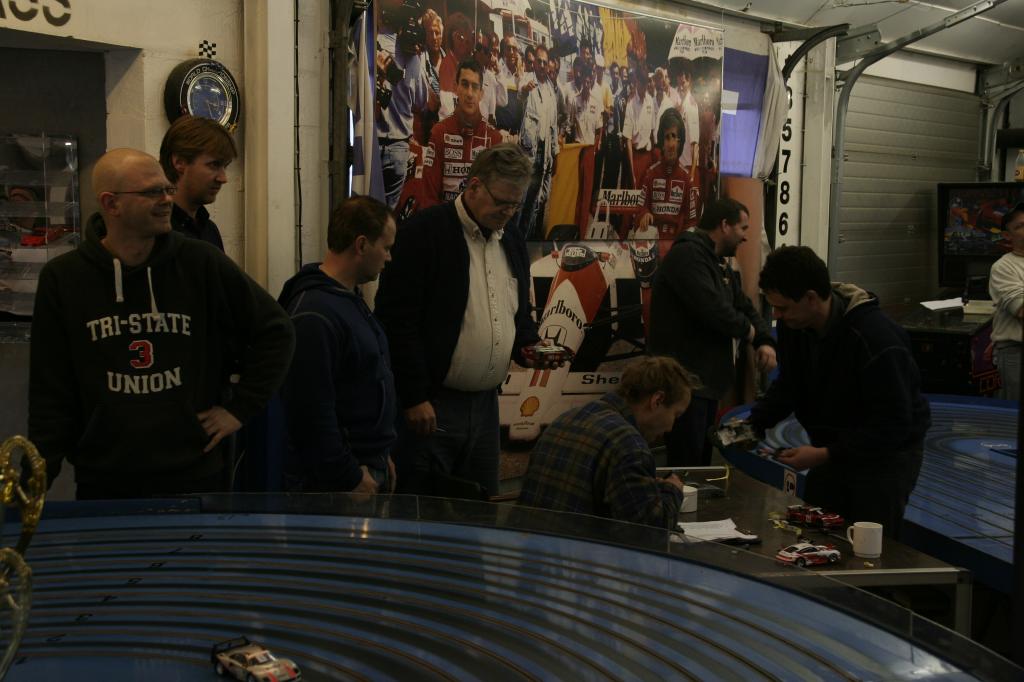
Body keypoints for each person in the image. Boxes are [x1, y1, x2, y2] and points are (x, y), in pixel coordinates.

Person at [28, 148, 295, 499]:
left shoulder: (200, 262)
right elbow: (50, 389)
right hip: (105, 478)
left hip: (195, 473)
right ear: (111, 203)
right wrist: (33, 486)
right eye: (152, 192)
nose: (167, 199)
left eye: (167, 189)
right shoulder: (64, 278)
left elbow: (277, 331)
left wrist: (239, 409)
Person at [375, 143, 551, 498]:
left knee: (481, 509)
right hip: (432, 405)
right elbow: (396, 322)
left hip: (486, 408)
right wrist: (413, 396)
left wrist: (530, 345)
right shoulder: (424, 233)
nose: (508, 212)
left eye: (515, 205)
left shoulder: (512, 239)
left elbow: (517, 311)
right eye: (502, 202)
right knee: (424, 510)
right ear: (474, 186)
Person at [749, 245, 931, 536]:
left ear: (811, 298)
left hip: (885, 457)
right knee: (818, 530)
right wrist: (752, 424)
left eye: (782, 308)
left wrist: (825, 454)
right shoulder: (794, 325)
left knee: (867, 541)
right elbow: (791, 383)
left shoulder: (876, 339)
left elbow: (893, 423)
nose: (777, 316)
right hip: (833, 447)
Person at [278, 196, 398, 495]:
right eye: (386, 247)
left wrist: (380, 453)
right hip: (338, 483)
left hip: (366, 464)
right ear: (361, 245)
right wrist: (348, 476)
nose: (388, 257)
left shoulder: (347, 299)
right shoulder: (315, 315)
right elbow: (311, 413)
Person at [649, 198, 776, 467]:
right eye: (743, 228)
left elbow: (744, 305)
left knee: (702, 465)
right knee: (688, 465)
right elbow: (713, 309)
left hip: (707, 384)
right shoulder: (688, 256)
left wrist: (765, 341)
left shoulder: (717, 263)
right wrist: (751, 333)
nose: (745, 236)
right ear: (724, 225)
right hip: (684, 384)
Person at [517, 356, 694, 529]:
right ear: (658, 400)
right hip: (576, 547)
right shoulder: (629, 445)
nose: (671, 427)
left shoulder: (565, 419)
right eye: (676, 415)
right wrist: (672, 489)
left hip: (528, 543)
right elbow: (649, 532)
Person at [419, 60, 503, 208]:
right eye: (464, 85)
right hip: (445, 219)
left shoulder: (494, 138)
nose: (469, 94)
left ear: (481, 94)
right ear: (455, 88)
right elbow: (429, 196)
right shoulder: (439, 133)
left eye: (475, 87)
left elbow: (495, 197)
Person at [375, 0, 429, 208]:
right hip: (398, 147)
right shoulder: (414, 57)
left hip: (374, 141)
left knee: (367, 212)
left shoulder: (376, 43)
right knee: (388, 215)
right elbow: (421, 102)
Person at [158, 114, 237, 251]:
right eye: (214, 165)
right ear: (179, 162)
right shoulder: (156, 233)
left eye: (225, 166)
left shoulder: (209, 230)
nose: (223, 178)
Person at [516, 44, 559, 239]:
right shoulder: (527, 79)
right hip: (529, 153)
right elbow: (521, 95)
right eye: (539, 61)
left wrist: (555, 154)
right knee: (521, 201)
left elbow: (553, 125)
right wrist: (525, 90)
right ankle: (515, 240)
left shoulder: (551, 89)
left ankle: (526, 241)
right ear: (533, 63)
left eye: (545, 62)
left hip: (545, 153)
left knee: (536, 202)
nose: (542, 65)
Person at [636, 108, 695, 240]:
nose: (671, 144)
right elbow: (640, 208)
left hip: (677, 245)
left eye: (675, 137)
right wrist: (644, 214)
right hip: (652, 242)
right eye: (667, 138)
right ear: (662, 143)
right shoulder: (650, 174)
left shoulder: (686, 179)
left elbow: (691, 222)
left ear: (680, 143)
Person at [989, 201, 1024, 400]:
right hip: (1016, 352)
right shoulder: (1004, 267)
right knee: (1014, 411)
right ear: (1007, 235)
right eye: (1021, 226)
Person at [621, 68, 655, 188]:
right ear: (637, 82)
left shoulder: (650, 101)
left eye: (646, 84)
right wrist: (632, 173)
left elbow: (652, 132)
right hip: (635, 157)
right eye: (642, 83)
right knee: (635, 194)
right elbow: (628, 140)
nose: (644, 87)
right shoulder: (630, 104)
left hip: (648, 157)